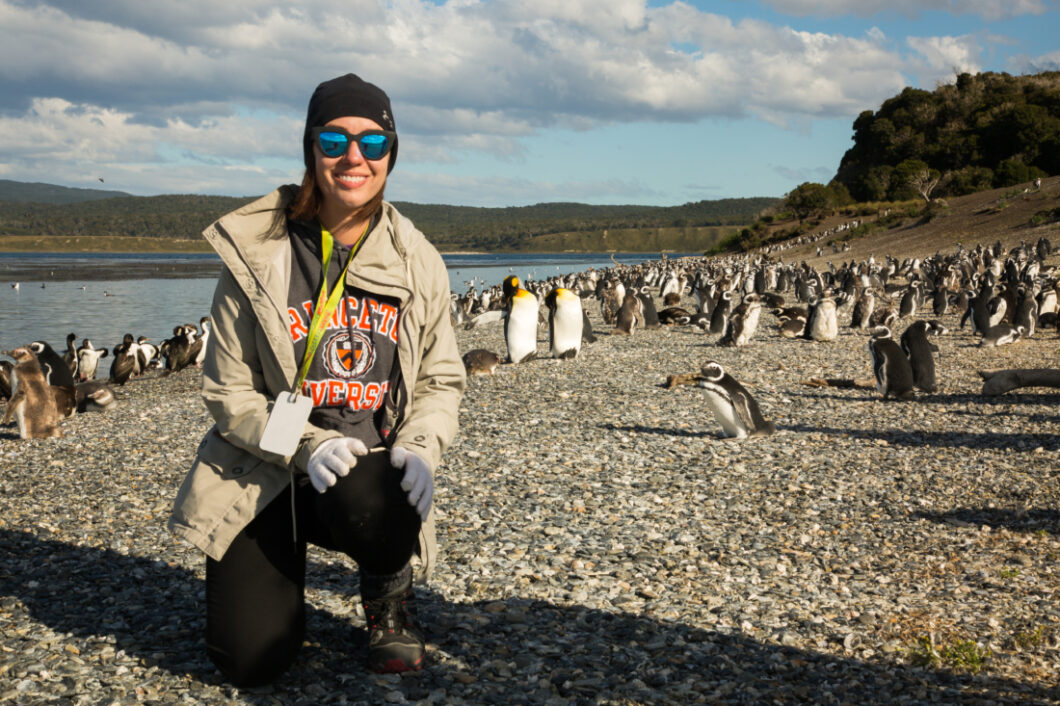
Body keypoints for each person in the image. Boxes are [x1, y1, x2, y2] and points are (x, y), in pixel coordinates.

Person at [168, 73, 465, 685]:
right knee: (249, 662)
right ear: (310, 149)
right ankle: (280, 583)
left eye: (372, 143)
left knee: (380, 495)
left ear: (390, 154)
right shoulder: (256, 253)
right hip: (267, 463)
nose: (353, 158)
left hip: (364, 466)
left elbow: (441, 378)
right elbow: (227, 391)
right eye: (334, 140)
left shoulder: (418, 259)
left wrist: (419, 448)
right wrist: (305, 445)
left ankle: (387, 592)